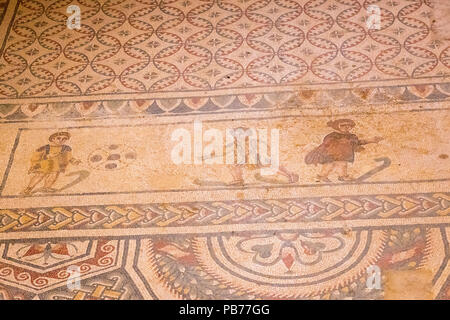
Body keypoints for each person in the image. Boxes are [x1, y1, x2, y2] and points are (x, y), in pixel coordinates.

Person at [305, 119, 383, 182]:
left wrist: (371, 140)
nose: (346, 127)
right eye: (343, 125)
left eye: (349, 126)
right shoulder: (333, 135)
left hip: (343, 155)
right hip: (332, 154)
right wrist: (341, 142)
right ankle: (322, 176)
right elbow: (327, 141)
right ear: (338, 126)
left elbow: (358, 142)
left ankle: (343, 176)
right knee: (329, 165)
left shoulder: (351, 136)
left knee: (343, 165)